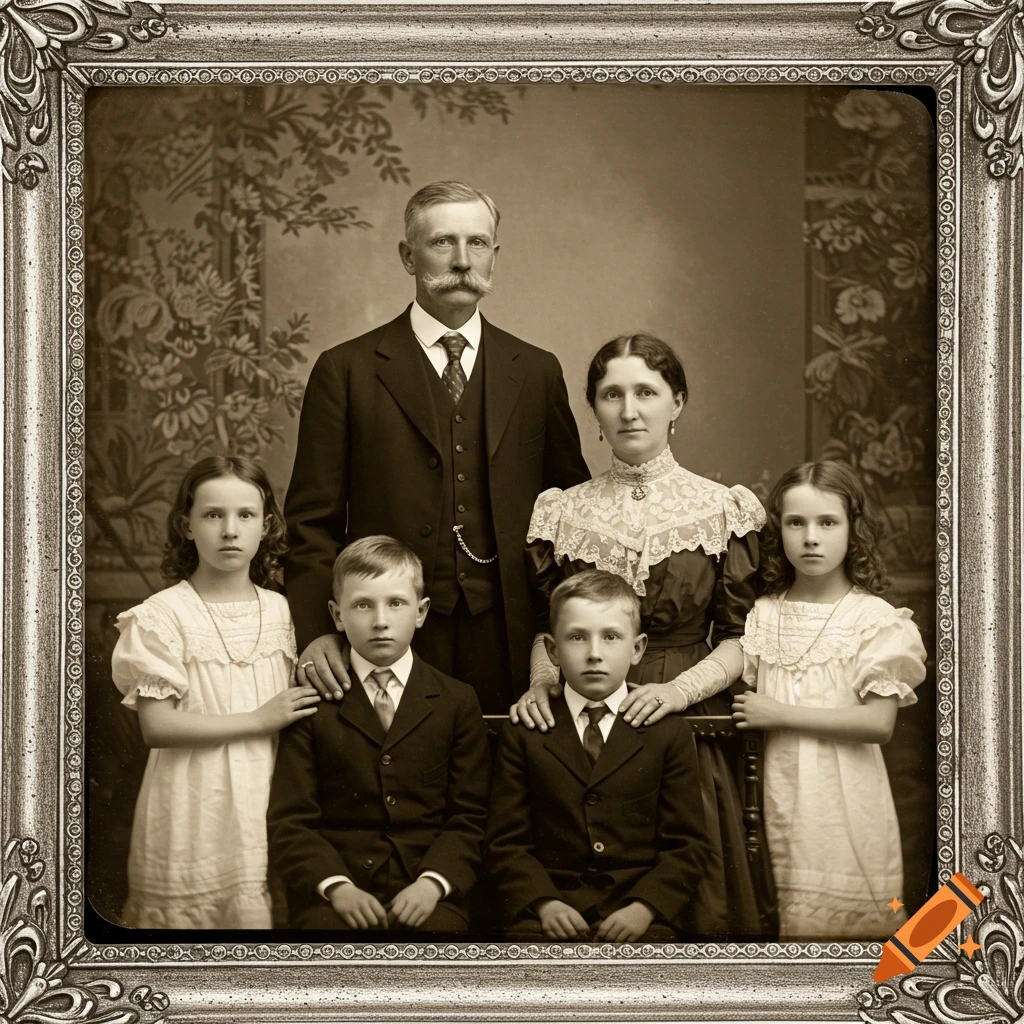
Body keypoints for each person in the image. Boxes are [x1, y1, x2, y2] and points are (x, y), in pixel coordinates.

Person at [283, 180, 589, 713]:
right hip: (387, 632)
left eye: (477, 244)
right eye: (443, 243)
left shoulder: (537, 371)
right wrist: (317, 629)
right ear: (408, 255)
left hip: (508, 633)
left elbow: (573, 510)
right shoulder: (347, 370)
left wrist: (564, 636)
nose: (463, 260)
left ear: (495, 256)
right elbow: (311, 521)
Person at [513, 332, 774, 938]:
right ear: (594, 410)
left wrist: (679, 694)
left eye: (646, 392)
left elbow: (740, 639)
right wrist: (542, 685)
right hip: (583, 709)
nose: (629, 410)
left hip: (685, 718)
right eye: (612, 395)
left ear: (676, 402)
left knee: (686, 892)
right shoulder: (559, 512)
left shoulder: (722, 508)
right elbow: (542, 631)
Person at [111, 456, 318, 928]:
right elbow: (156, 725)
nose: (229, 530)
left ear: (265, 526)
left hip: (273, 793)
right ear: (187, 525)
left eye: (245, 515)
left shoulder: (285, 611)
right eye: (212, 515)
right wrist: (259, 720)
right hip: (194, 798)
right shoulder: (163, 615)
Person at [731, 461, 927, 940]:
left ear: (852, 529)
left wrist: (777, 713)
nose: (811, 537)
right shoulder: (763, 613)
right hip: (776, 790)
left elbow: (879, 723)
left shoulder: (875, 619)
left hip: (843, 792)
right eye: (796, 523)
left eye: (827, 522)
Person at [267, 535, 491, 932]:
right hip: (337, 894)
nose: (380, 620)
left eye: (396, 603)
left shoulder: (456, 700)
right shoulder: (312, 702)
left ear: (421, 612)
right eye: (363, 605)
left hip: (428, 890)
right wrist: (337, 887)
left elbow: (470, 816)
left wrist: (431, 884)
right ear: (337, 615)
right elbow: (292, 820)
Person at [487, 570, 712, 942]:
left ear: (637, 648)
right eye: (577, 637)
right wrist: (544, 903)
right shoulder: (525, 731)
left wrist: (644, 908)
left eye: (611, 637)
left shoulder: (667, 732)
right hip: (549, 910)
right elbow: (505, 843)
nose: (594, 654)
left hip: (638, 912)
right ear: (554, 650)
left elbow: (687, 846)